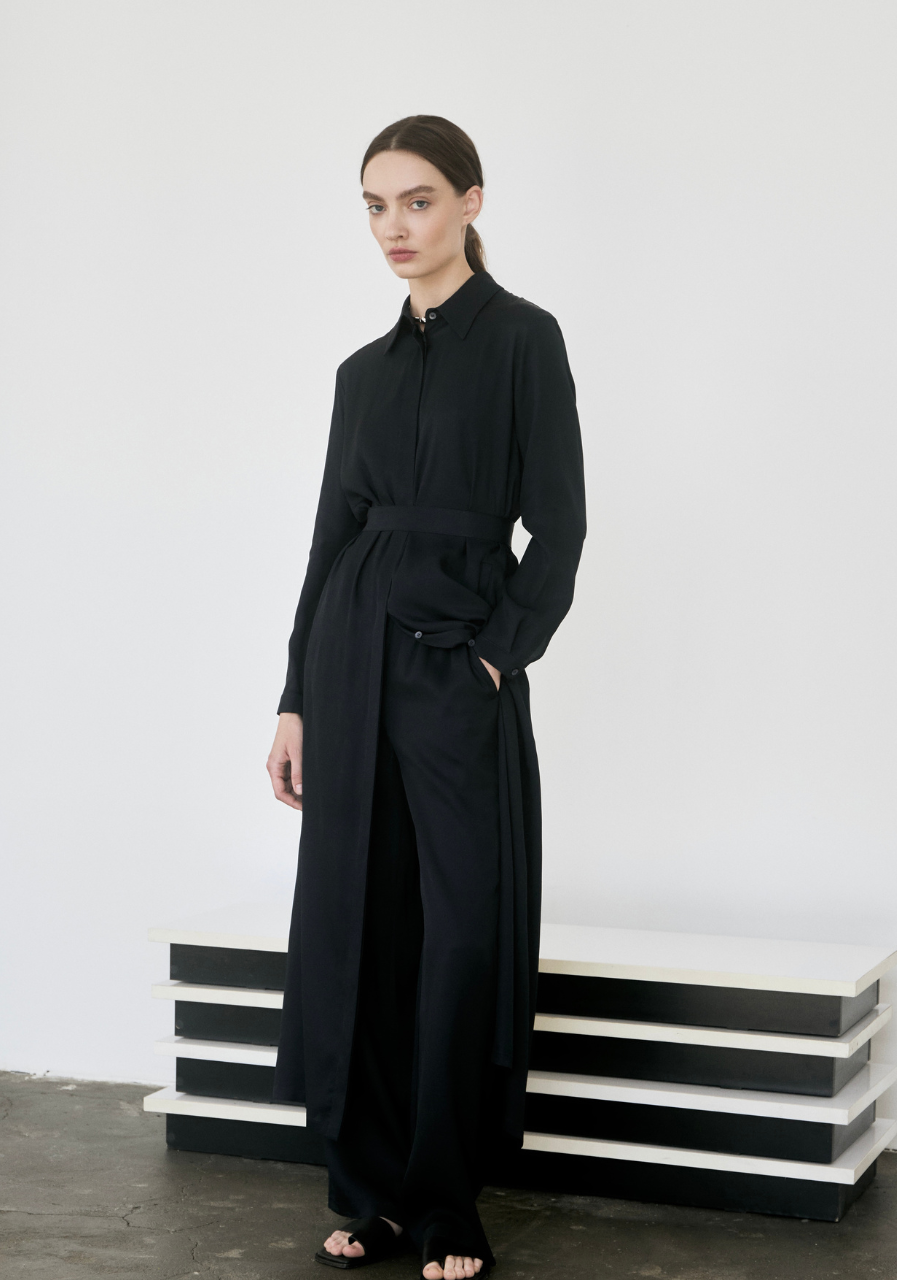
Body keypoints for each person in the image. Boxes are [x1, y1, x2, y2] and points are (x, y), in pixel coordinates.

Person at [266, 114, 587, 1280]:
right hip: (347, 660)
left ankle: (446, 1198)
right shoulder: (361, 372)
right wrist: (294, 698)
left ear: (470, 202)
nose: (393, 226)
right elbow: (329, 539)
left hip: (456, 666)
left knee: (458, 931)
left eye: (416, 200)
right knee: (355, 917)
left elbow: (561, 522)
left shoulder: (525, 341)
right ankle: (370, 1193)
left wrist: (500, 655)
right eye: (374, 206)